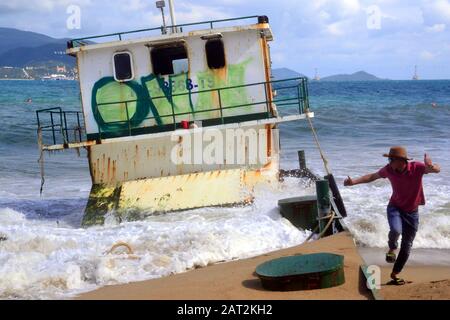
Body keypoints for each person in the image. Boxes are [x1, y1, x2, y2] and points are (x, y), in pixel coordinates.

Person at [344, 146, 440, 285]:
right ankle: (391, 248)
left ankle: (395, 274)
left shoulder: (417, 167)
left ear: (401, 161)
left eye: (391, 159)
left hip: (412, 212)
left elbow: (436, 169)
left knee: (407, 246)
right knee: (396, 230)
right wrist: (353, 182)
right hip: (395, 207)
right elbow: (372, 176)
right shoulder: (389, 169)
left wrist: (431, 166)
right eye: (388, 159)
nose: (389, 162)